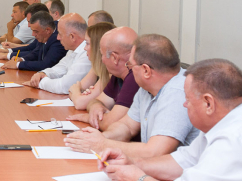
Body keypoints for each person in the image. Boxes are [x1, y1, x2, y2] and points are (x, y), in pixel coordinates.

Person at [99, 59, 242, 181]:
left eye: (188, 99)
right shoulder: (221, 124)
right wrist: (132, 163)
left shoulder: (233, 138)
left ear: (208, 103)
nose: (184, 104)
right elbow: (183, 161)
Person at [64, 34, 199, 160]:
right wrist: (100, 138)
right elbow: (127, 126)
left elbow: (155, 152)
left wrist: (102, 144)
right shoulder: (147, 88)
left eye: (130, 65)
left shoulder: (178, 93)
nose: (129, 69)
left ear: (146, 70)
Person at [68, 27, 139, 126]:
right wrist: (96, 106)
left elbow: (111, 123)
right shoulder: (118, 75)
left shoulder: (134, 78)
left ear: (114, 58)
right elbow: (96, 101)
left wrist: (88, 118)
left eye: (102, 54)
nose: (102, 60)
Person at [26, 13, 92, 94]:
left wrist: (40, 83)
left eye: (60, 34)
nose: (57, 38)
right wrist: (43, 73)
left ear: (72, 37)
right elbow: (60, 68)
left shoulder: (87, 53)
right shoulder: (73, 49)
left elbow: (65, 86)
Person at [67, 22, 117, 110]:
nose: (84, 48)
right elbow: (72, 89)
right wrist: (78, 93)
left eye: (87, 43)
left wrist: (77, 93)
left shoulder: (110, 73)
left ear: (97, 46)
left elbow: (80, 103)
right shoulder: (96, 67)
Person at [1, 11, 66, 71]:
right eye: (32, 31)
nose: (33, 34)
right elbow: (36, 53)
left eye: (36, 31)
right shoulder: (44, 35)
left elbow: (46, 64)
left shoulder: (58, 40)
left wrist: (18, 65)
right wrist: (22, 59)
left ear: (48, 30)